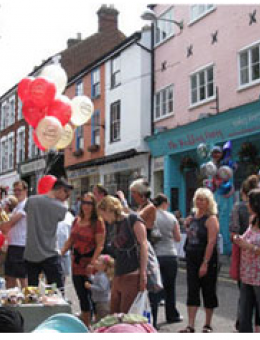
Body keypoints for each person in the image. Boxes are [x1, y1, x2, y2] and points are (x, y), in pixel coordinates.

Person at [97, 195, 148, 314]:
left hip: (132, 274)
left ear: (110, 209)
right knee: (114, 314)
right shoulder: (112, 225)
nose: (103, 218)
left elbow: (144, 246)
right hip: (118, 275)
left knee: (126, 315)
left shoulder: (133, 219)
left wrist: (143, 274)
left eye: (103, 214)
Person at [61, 192, 105, 327]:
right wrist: (61, 252)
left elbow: (100, 245)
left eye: (89, 203)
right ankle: (85, 326)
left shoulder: (98, 222)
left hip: (90, 263)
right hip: (76, 262)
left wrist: (93, 263)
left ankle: (97, 326)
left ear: (94, 205)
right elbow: (71, 239)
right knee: (81, 295)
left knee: (92, 297)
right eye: (84, 203)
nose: (86, 206)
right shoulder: (77, 219)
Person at [180, 188, 219, 333]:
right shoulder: (192, 216)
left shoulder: (211, 219)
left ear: (209, 202)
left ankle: (207, 324)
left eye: (203, 199)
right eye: (198, 198)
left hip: (207, 259)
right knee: (192, 291)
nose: (200, 202)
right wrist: (186, 224)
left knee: (208, 291)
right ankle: (190, 325)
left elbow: (211, 242)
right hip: (192, 258)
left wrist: (205, 263)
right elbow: (190, 235)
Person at [24, 178, 73, 289]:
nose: (66, 199)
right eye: (67, 195)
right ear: (61, 190)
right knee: (57, 291)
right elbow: (61, 216)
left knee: (32, 292)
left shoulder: (31, 200)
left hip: (31, 252)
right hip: (50, 252)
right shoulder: (61, 207)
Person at [229, 175, 260, 332]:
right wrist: (238, 239)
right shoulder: (252, 220)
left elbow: (252, 245)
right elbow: (243, 237)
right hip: (247, 274)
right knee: (245, 313)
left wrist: (248, 246)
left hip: (258, 276)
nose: (246, 205)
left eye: (249, 202)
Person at [150, 193, 182, 329]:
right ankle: (171, 315)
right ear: (165, 203)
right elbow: (178, 238)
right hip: (170, 255)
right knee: (170, 287)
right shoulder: (171, 217)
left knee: (155, 288)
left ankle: (153, 320)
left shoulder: (151, 216)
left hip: (155, 255)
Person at [0, 181, 28, 289]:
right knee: (10, 277)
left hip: (21, 245)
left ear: (25, 191)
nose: (16, 192)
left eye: (19, 190)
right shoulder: (17, 207)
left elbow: (8, 225)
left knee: (22, 278)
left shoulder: (25, 205)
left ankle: (27, 302)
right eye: (15, 190)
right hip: (12, 245)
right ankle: (11, 302)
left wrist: (3, 225)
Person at [85, 254, 114, 322]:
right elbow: (96, 280)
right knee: (100, 317)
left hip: (103, 303)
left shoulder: (102, 276)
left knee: (102, 319)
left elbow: (102, 288)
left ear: (104, 266)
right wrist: (90, 276)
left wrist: (90, 286)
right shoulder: (99, 273)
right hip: (100, 301)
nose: (96, 261)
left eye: (98, 260)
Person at [56, 209, 75, 289]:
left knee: (63, 275)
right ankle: (50, 295)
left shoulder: (69, 216)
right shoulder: (49, 213)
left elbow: (73, 234)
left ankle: (61, 294)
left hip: (65, 251)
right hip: (52, 250)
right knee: (51, 276)